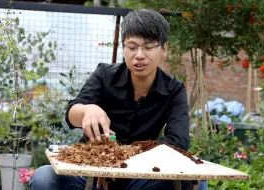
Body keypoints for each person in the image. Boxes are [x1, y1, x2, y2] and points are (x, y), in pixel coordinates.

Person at [30, 9, 208, 190]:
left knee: (196, 182)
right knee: (45, 177)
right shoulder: (104, 75)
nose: (139, 55)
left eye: (148, 47)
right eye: (132, 47)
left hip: (141, 176)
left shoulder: (174, 90)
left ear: (164, 50)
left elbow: (178, 141)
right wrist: (87, 110)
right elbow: (71, 116)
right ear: (124, 48)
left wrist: (124, 155)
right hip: (93, 173)